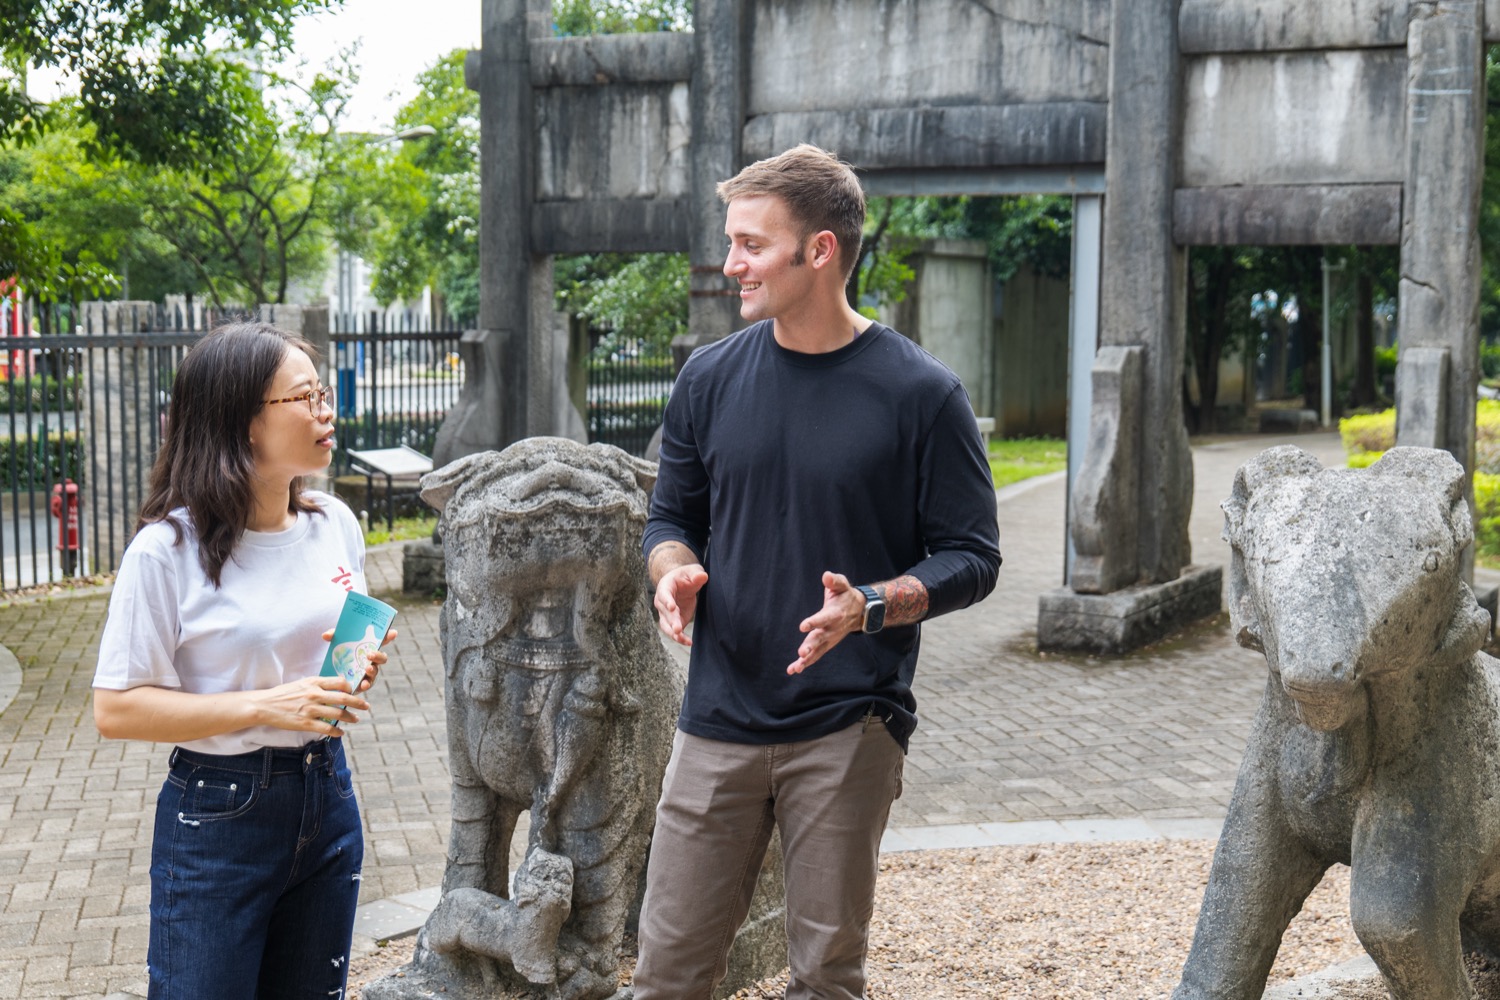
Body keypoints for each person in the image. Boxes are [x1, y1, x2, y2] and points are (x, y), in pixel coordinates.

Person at [634, 144, 1002, 999]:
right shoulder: (708, 379)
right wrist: (673, 571)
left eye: (752, 244)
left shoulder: (922, 395)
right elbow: (670, 518)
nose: (732, 264)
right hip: (716, 718)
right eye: (732, 242)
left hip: (846, 726)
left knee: (826, 980)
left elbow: (973, 557)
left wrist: (872, 604)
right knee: (666, 976)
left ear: (821, 250)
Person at [91, 323, 394, 1000]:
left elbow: (332, 662)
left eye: (324, 394)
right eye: (305, 398)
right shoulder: (167, 550)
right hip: (219, 812)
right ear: (244, 420)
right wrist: (266, 705)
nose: (326, 411)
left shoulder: (335, 523)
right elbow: (114, 708)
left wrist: (353, 674)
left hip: (327, 793)